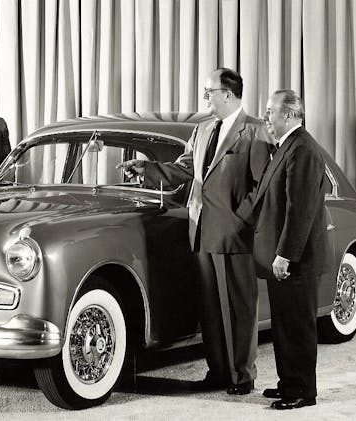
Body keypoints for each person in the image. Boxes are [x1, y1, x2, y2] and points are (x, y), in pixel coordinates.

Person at [118, 68, 272, 395]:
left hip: (235, 236)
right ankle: (218, 371)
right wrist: (145, 169)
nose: (205, 97)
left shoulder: (256, 131)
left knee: (239, 308)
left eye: (209, 91)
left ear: (228, 94)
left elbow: (262, 188)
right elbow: (183, 169)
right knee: (211, 308)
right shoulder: (202, 130)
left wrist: (239, 219)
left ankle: (242, 376)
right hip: (201, 231)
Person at [241, 89, 328, 409]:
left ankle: (302, 391)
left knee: (297, 327)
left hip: (296, 261)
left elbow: (299, 210)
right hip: (287, 259)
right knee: (284, 325)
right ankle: (288, 382)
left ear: (290, 115)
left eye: (270, 112)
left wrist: (285, 255)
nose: (266, 118)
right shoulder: (287, 146)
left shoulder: (302, 149)